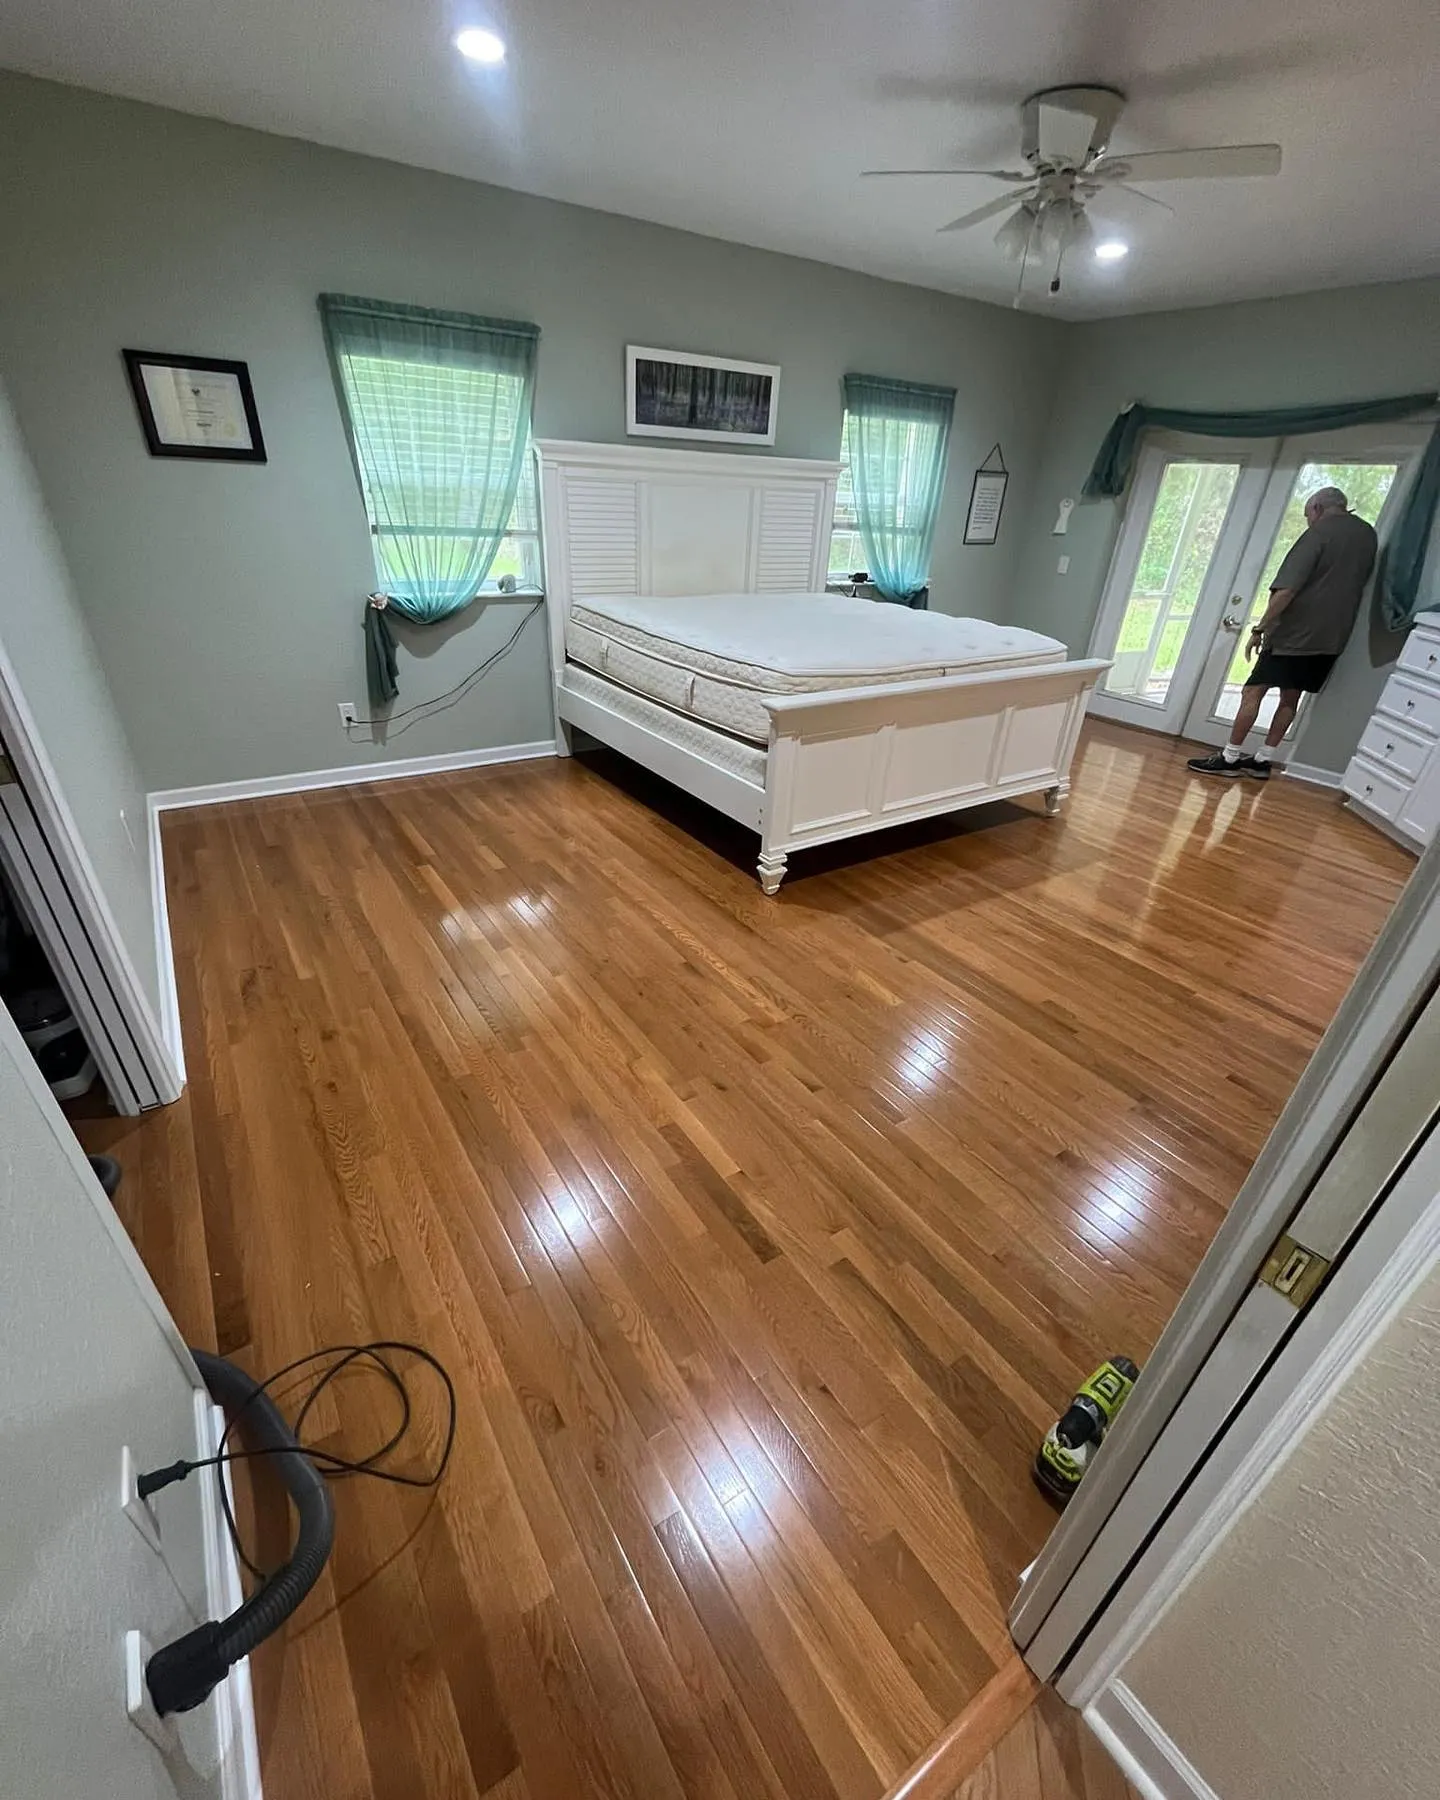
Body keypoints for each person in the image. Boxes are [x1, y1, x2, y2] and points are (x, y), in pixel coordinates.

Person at [1187, 486, 1377, 781]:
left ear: (1317, 509)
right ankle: (1263, 760)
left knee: (1253, 691)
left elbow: (1287, 589)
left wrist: (1259, 628)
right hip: (1332, 636)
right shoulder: (1367, 535)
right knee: (1291, 696)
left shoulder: (1318, 534)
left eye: (1307, 516)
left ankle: (1229, 756)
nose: (1308, 522)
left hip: (1295, 633)